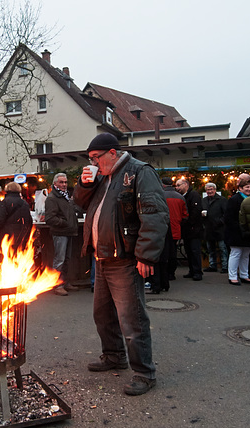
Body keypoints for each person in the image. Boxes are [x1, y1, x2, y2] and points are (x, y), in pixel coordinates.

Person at [73, 133, 168, 396]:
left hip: (124, 258)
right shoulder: (103, 176)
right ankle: (114, 355)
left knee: (132, 319)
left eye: (95, 158)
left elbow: (154, 214)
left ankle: (145, 373)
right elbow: (79, 203)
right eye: (90, 159)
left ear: (112, 153)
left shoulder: (139, 172)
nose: (93, 163)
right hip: (102, 256)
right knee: (102, 315)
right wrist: (84, 183)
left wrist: (146, 256)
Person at [45, 173, 79, 296]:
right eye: (61, 182)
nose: (64, 184)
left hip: (68, 231)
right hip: (60, 232)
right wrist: (64, 223)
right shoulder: (52, 198)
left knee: (66, 260)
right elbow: (49, 218)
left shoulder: (64, 197)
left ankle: (64, 282)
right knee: (59, 260)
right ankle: (57, 285)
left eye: (65, 182)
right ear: (55, 184)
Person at [0, 182, 33, 255]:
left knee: (5, 257)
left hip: (6, 235)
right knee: (18, 257)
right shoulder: (24, 203)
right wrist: (27, 235)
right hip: (21, 235)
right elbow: (29, 220)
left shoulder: (5, 202)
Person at [224, 176, 250, 285]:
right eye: (246, 187)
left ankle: (244, 275)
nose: (249, 189)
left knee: (246, 254)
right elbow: (229, 217)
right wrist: (238, 228)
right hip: (236, 232)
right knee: (236, 253)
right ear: (240, 188)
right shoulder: (234, 199)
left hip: (247, 232)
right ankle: (232, 276)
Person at [160, 176, 188, 288]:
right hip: (176, 229)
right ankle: (171, 273)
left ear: (162, 185)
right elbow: (185, 215)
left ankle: (163, 274)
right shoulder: (180, 197)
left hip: (162, 229)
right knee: (173, 253)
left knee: (162, 253)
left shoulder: (160, 195)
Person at [175, 178, 204, 281]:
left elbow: (195, 211)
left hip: (193, 229)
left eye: (179, 185)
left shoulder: (194, 195)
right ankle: (192, 270)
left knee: (194, 250)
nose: (177, 188)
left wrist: (189, 223)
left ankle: (197, 272)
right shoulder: (184, 196)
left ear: (185, 184)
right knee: (189, 250)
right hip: (187, 229)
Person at [202, 182, 228, 274]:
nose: (209, 191)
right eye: (208, 190)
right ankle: (212, 265)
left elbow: (226, 214)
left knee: (222, 248)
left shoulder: (222, 200)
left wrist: (220, 221)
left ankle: (225, 266)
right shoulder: (204, 200)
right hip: (209, 228)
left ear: (215, 190)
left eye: (211, 189)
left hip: (220, 228)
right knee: (210, 249)